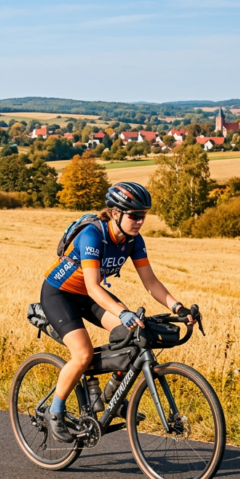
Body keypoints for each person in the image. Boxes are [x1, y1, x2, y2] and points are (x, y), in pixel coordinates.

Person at [40, 182, 196, 442]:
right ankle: (54, 412)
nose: (140, 221)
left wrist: (177, 307)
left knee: (136, 334)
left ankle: (111, 397)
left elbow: (151, 283)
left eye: (143, 215)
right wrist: (123, 311)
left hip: (90, 296)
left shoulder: (134, 241)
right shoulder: (92, 235)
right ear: (115, 213)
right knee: (82, 354)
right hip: (60, 294)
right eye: (134, 215)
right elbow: (92, 286)